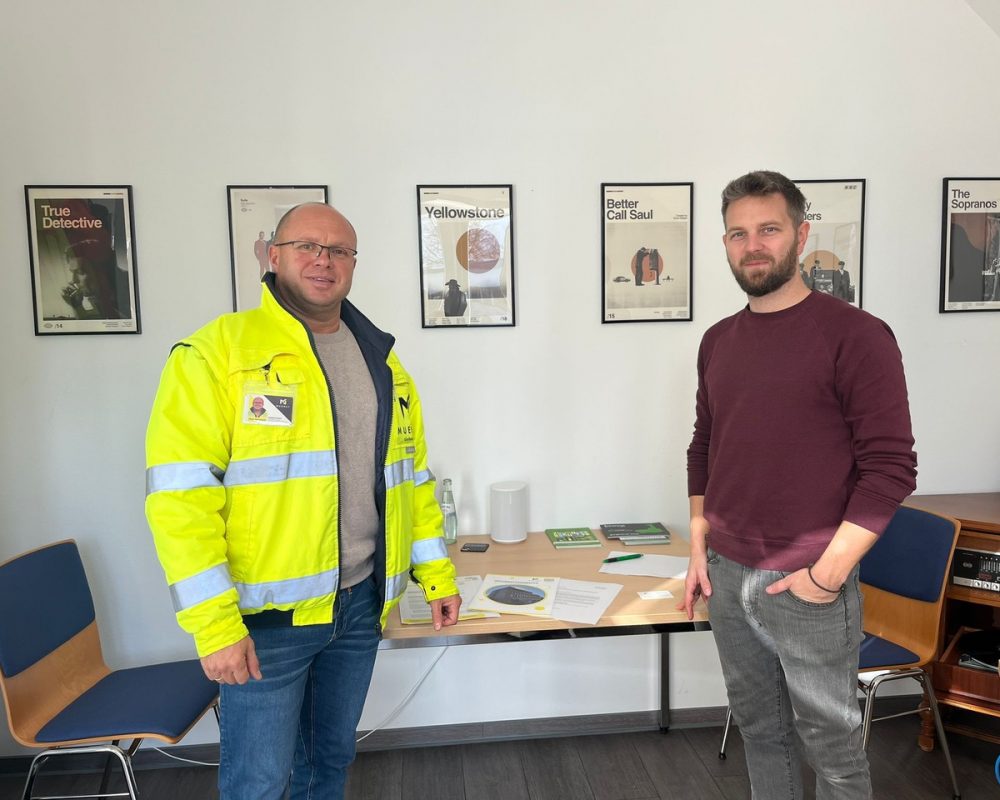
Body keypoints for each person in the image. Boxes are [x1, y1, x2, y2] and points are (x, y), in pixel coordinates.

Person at [145, 202, 462, 800]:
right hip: (266, 623)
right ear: (274, 256)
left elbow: (410, 480)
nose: (324, 260)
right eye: (307, 247)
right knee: (259, 783)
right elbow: (180, 502)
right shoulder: (216, 354)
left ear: (352, 265)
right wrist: (214, 627)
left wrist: (437, 576)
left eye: (339, 250)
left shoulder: (384, 361)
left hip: (359, 607)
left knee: (328, 766)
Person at [680, 171, 917, 800]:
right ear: (725, 244)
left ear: (801, 234)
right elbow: (705, 448)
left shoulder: (857, 336)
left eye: (768, 229)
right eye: (738, 233)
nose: (752, 245)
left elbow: (891, 468)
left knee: (834, 753)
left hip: (810, 581)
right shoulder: (718, 341)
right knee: (761, 733)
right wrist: (699, 547)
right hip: (728, 577)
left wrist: (828, 575)